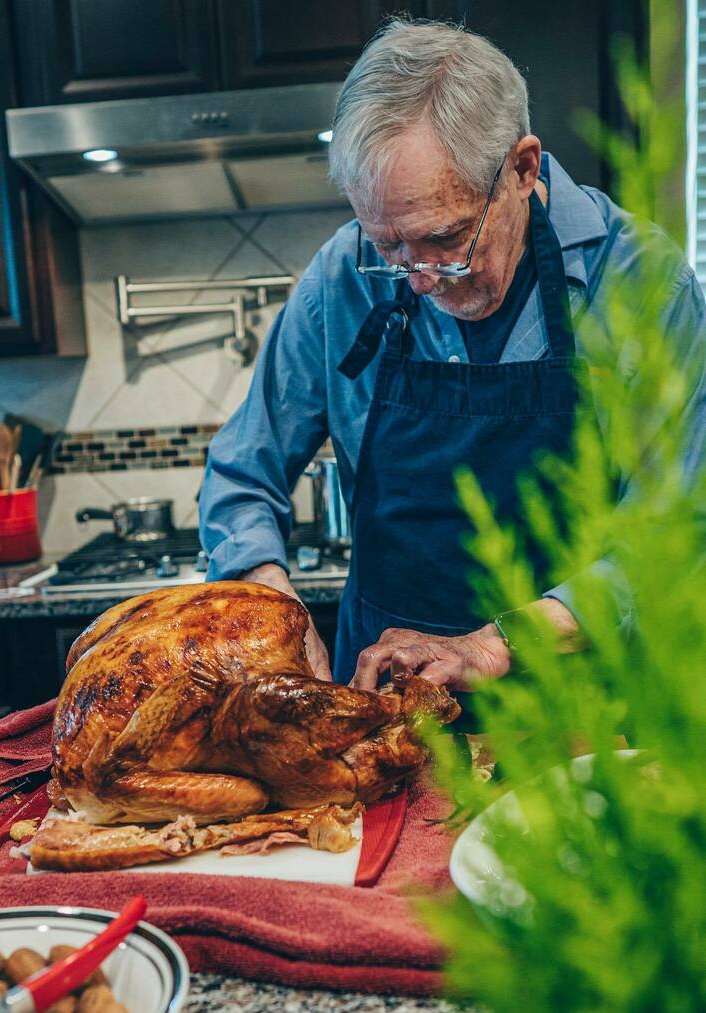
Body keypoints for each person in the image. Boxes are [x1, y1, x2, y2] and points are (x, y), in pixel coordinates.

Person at [198, 18, 705, 693]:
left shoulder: (641, 286)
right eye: (388, 245)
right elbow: (240, 472)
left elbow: (671, 536)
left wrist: (490, 647)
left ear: (522, 169)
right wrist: (267, 607)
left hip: (585, 721)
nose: (418, 278)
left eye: (446, 237)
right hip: (382, 714)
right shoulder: (339, 276)